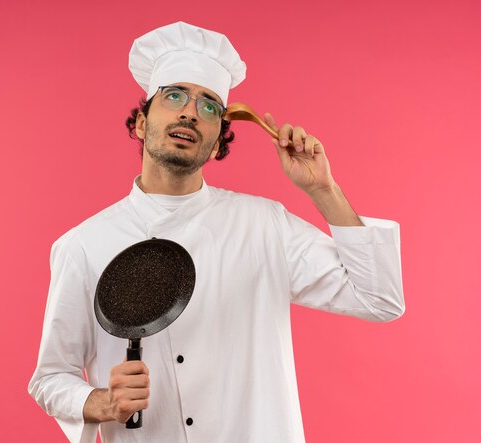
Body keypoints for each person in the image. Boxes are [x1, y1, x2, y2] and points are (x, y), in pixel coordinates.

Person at [28, 21, 405, 443]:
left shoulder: (264, 226)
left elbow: (380, 300)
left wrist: (323, 189)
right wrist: (98, 402)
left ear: (216, 142)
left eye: (210, 106)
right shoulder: (83, 246)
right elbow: (50, 377)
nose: (190, 111)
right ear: (140, 123)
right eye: (173, 96)